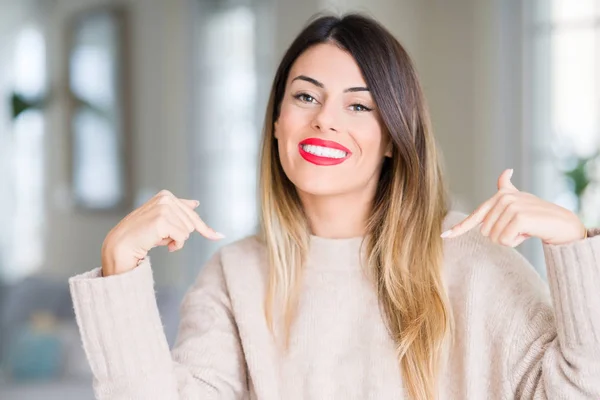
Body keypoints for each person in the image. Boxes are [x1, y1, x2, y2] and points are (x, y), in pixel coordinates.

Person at [69, 13, 600, 400]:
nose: (325, 119)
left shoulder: (476, 260)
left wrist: (576, 247)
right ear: (277, 121)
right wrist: (120, 263)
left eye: (359, 104)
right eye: (305, 96)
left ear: (393, 137)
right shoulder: (234, 277)